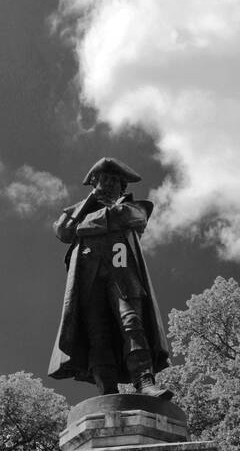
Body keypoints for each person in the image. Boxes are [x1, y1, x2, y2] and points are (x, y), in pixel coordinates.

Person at [47, 157, 171, 397]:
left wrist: (84, 225)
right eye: (105, 180)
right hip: (88, 275)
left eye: (116, 181)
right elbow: (64, 232)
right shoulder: (75, 211)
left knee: (132, 322)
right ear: (94, 183)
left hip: (122, 270)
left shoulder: (136, 206)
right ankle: (107, 391)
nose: (110, 185)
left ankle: (145, 382)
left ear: (123, 188)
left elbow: (125, 218)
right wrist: (88, 204)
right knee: (97, 334)